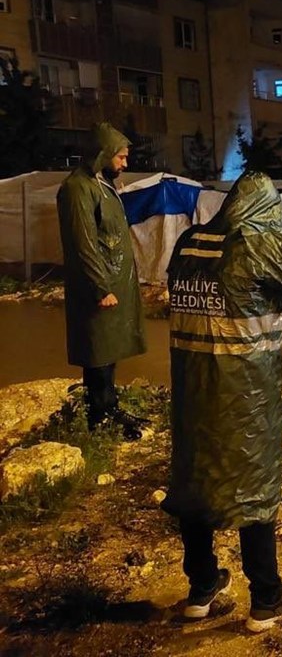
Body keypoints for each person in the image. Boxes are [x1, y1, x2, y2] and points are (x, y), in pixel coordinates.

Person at [162, 171, 282, 632]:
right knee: (255, 485)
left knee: (196, 478)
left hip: (192, 390)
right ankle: (266, 598)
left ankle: (202, 586)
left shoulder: (189, 243)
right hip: (245, 391)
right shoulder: (258, 245)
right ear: (263, 211)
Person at [56, 122, 148, 441]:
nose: (125, 163)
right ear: (104, 154)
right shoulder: (78, 188)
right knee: (96, 351)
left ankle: (111, 407)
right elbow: (83, 243)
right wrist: (100, 287)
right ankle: (99, 417)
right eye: (121, 157)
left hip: (113, 284)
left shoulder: (101, 184)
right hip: (98, 287)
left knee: (108, 349)